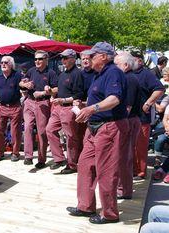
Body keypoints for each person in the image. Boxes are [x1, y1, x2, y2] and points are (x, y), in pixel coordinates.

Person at [67, 42, 129, 224]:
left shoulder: (113, 72)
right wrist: (84, 107)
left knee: (106, 171)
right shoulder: (99, 75)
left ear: (104, 56)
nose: (88, 59)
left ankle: (110, 214)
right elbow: (100, 98)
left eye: (92, 55)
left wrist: (92, 109)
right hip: (94, 128)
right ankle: (85, 206)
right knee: (85, 165)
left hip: (109, 127)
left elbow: (114, 98)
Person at [46, 49, 84, 174]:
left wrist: (63, 100)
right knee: (49, 129)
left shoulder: (77, 73)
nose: (63, 60)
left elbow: (79, 93)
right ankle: (60, 158)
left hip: (68, 107)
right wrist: (50, 92)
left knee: (70, 136)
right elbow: (58, 89)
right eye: (62, 58)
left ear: (73, 58)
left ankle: (72, 165)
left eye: (65, 58)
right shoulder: (63, 73)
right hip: (58, 107)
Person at [19, 50, 58, 168]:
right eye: (35, 59)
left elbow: (56, 88)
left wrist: (44, 92)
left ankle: (41, 159)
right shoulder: (31, 71)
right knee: (27, 127)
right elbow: (21, 82)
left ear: (46, 60)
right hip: (29, 102)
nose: (37, 61)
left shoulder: (51, 73)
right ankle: (28, 156)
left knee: (42, 132)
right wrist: (25, 85)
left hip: (43, 103)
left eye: (40, 59)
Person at [132, 51, 164, 180]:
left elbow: (160, 88)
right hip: (129, 116)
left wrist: (149, 102)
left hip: (142, 116)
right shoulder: (127, 73)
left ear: (140, 60)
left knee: (140, 145)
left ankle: (140, 171)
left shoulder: (146, 74)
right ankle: (133, 170)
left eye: (133, 59)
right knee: (131, 146)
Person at [114, 51, 141, 199]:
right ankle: (122, 188)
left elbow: (127, 107)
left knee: (124, 157)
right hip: (128, 120)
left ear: (125, 65)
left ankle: (124, 190)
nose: (114, 67)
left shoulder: (129, 79)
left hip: (128, 121)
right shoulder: (129, 77)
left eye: (116, 64)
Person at [0, 56, 22, 162]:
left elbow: (24, 87)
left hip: (15, 107)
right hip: (2, 107)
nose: (3, 64)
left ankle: (15, 153)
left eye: (6, 62)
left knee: (15, 131)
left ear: (11, 64)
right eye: (1, 62)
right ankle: (0, 153)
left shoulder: (17, 75)